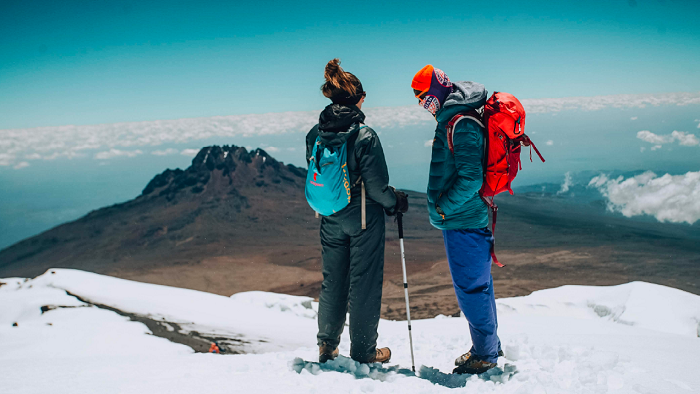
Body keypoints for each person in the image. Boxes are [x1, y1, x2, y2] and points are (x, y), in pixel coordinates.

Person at [307, 58, 409, 364]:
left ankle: (327, 345)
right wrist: (396, 202)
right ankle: (364, 351)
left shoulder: (315, 133)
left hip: (329, 215)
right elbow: (377, 188)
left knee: (333, 281)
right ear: (359, 99)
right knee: (363, 283)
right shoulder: (364, 136)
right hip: (364, 219)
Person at [411, 65, 502, 375]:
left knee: (470, 290)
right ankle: (488, 346)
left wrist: (442, 209)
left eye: (424, 98)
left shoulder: (460, 123)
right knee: (480, 286)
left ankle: (486, 355)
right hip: (465, 220)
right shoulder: (456, 118)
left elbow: (472, 178)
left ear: (438, 90)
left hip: (463, 221)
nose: (424, 106)